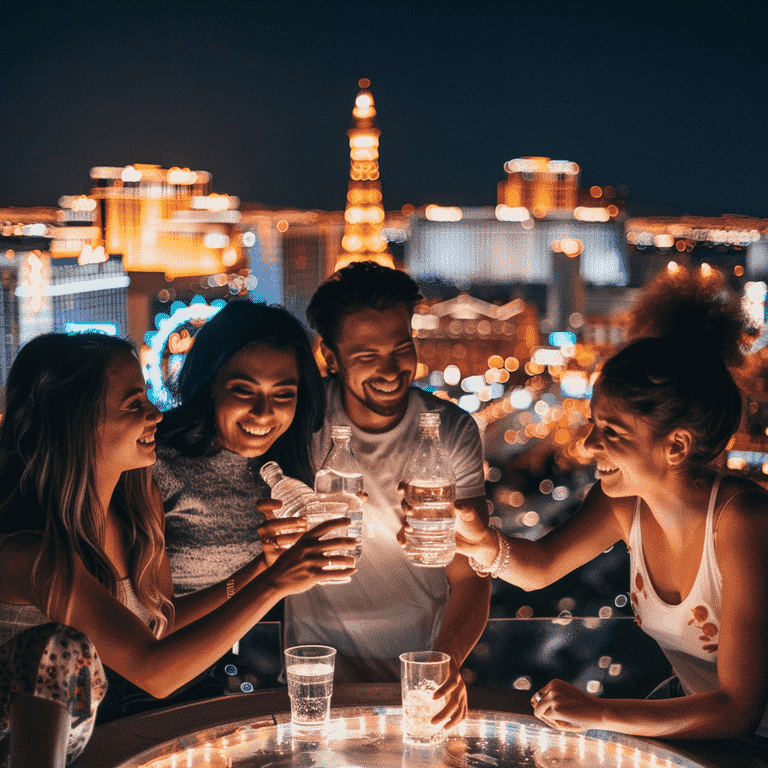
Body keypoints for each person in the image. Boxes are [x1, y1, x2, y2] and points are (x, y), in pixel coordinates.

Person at [0, 332, 355, 766]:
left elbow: (158, 626)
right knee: (55, 648)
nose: (154, 414)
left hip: (92, 740)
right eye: (134, 404)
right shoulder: (32, 554)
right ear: (74, 421)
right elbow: (154, 670)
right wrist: (274, 585)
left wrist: (261, 569)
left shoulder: (134, 505)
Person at [452, 267, 768, 743]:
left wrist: (599, 712)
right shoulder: (625, 505)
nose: (588, 444)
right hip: (697, 729)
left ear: (676, 446)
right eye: (594, 424)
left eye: (612, 432)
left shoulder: (742, 521)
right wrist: (480, 542)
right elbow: (540, 566)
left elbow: (740, 708)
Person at [284, 261, 491, 729]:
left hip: (421, 671)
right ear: (330, 357)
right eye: (365, 356)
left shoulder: (451, 430)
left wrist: (443, 667)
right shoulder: (301, 422)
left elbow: (472, 576)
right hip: (318, 673)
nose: (391, 369)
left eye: (402, 348)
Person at [135, 300, 328, 710]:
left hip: (222, 681)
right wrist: (267, 569)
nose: (264, 413)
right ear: (209, 382)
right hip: (142, 691)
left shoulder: (286, 467)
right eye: (244, 390)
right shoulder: (154, 463)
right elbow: (151, 626)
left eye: (283, 394)